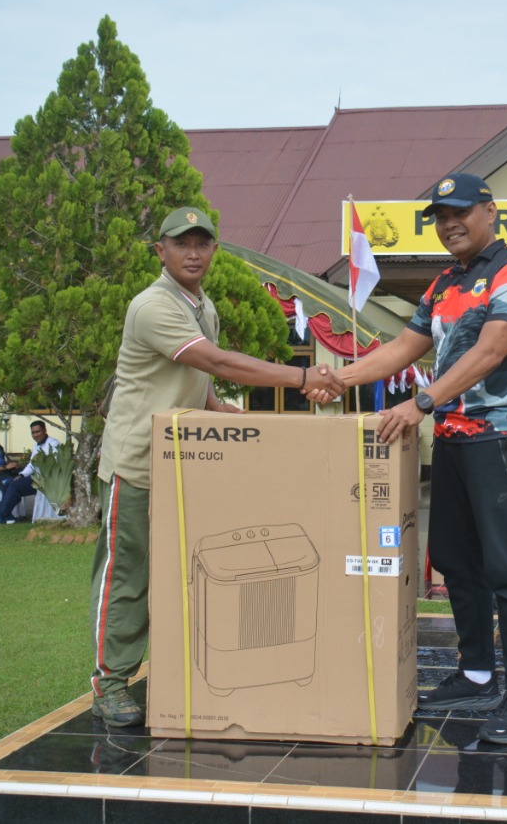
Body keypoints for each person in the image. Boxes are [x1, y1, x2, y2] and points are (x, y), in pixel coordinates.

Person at [312, 173, 507, 745]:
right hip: (455, 440)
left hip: (502, 439)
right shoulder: (444, 283)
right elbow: (401, 348)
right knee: (454, 559)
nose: (449, 224)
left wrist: (422, 400)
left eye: (460, 211)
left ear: (490, 212)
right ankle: (476, 672)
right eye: (440, 216)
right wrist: (336, 377)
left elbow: (492, 350)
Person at [88, 205, 342, 728]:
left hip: (184, 468)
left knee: (192, 576)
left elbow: (197, 378)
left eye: (202, 243)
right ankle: (110, 684)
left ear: (214, 251)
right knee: (127, 579)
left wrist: (223, 411)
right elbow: (216, 361)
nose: (193, 253)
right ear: (161, 251)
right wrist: (300, 380)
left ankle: (195, 670)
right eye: (182, 244)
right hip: (137, 464)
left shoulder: (201, 307)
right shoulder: (152, 305)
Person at [0, 420, 59, 524]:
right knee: (11, 482)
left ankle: (1, 516)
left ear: (45, 430)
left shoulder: (53, 444)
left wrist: (42, 459)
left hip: (47, 480)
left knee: (15, 486)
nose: (35, 435)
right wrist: (21, 475)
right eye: (33, 432)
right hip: (37, 478)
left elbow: (55, 463)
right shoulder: (37, 446)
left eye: (38, 431)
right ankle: (7, 515)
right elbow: (31, 465)